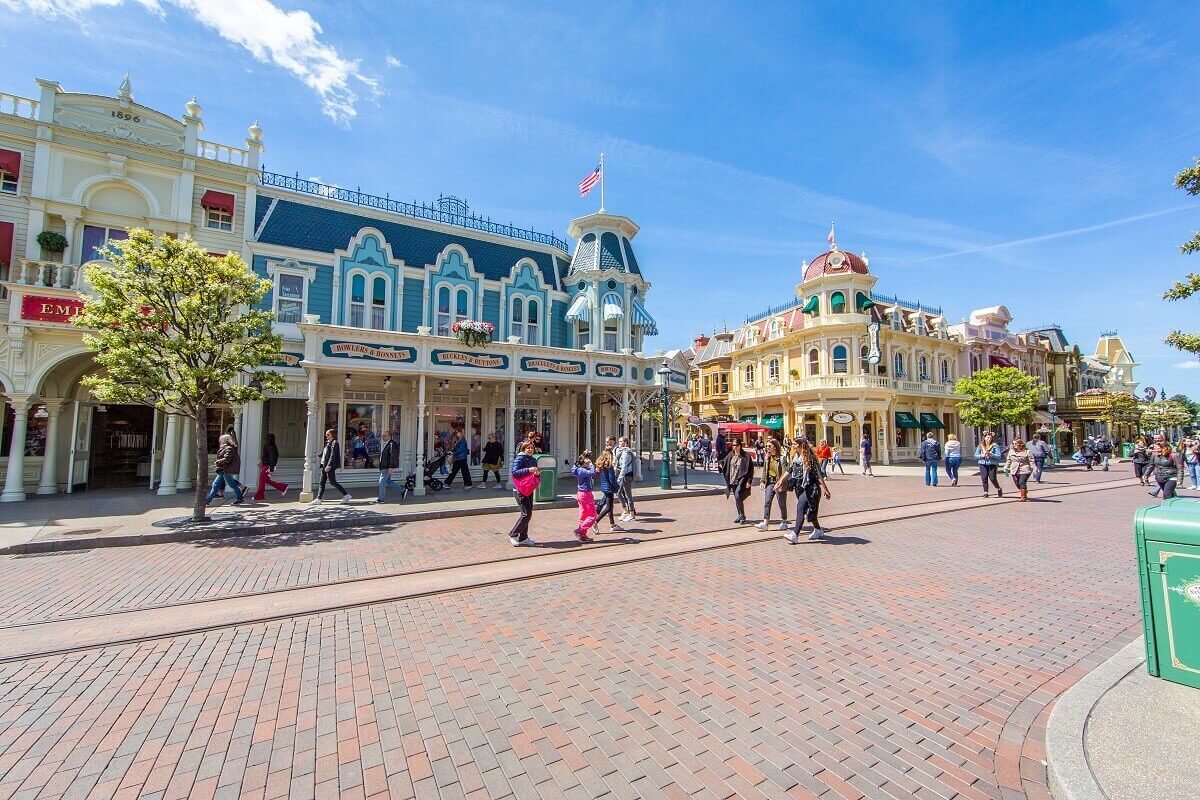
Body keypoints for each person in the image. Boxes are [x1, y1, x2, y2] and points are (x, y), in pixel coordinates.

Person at [780, 437, 832, 543]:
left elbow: (818, 474)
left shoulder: (810, 458)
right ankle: (818, 529)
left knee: (800, 508)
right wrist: (780, 481)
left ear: (801, 445)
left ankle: (795, 535)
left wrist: (825, 489)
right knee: (809, 512)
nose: (793, 446)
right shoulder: (795, 457)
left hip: (810, 487)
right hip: (799, 487)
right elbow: (789, 470)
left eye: (794, 444)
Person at [508, 440, 539, 546]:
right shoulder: (520, 458)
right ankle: (513, 534)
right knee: (527, 514)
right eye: (528, 448)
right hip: (519, 489)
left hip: (528, 488)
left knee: (527, 513)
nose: (530, 450)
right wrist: (529, 470)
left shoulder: (533, 459)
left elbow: (534, 474)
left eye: (531, 448)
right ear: (523, 449)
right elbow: (515, 472)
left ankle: (523, 537)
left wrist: (537, 473)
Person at [756, 440, 789, 531]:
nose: (767, 447)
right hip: (770, 482)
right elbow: (764, 470)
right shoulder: (767, 458)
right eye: (766, 446)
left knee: (781, 503)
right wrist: (762, 481)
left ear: (775, 447)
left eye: (769, 446)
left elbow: (785, 472)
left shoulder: (782, 458)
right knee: (767, 502)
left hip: (779, 483)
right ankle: (765, 523)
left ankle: (784, 521)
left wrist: (780, 483)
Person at [311, 429, 351, 505]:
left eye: (328, 434)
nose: (326, 436)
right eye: (326, 434)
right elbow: (326, 453)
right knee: (322, 482)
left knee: (332, 482)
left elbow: (332, 455)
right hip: (324, 465)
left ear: (332, 434)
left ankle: (346, 495)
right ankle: (318, 499)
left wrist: (329, 465)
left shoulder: (334, 443)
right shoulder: (328, 443)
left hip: (329, 466)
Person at [206, 433, 246, 505]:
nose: (220, 441)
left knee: (231, 485)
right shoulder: (228, 448)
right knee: (216, 485)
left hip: (226, 469)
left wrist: (217, 462)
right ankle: (207, 500)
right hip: (223, 469)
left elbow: (227, 459)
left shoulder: (228, 448)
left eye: (221, 440)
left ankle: (240, 498)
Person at [720, 439, 754, 524]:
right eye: (733, 445)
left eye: (736, 446)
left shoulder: (746, 456)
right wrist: (721, 464)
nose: (735, 447)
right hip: (732, 479)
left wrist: (749, 481)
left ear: (740, 446)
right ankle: (741, 515)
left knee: (738, 495)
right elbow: (723, 461)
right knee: (736, 498)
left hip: (741, 479)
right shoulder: (731, 454)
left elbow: (750, 470)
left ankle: (742, 516)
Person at [569, 451, 597, 543]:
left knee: (584, 515)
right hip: (586, 494)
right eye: (586, 461)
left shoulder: (578, 468)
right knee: (592, 516)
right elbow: (592, 472)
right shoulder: (582, 470)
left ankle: (583, 535)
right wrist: (592, 464)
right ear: (583, 463)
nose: (588, 462)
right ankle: (580, 530)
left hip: (581, 494)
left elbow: (576, 465)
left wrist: (584, 456)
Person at [253, 433, 289, 501]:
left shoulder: (271, 448)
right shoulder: (269, 447)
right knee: (263, 481)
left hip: (267, 466)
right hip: (266, 465)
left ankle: (283, 487)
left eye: (266, 438)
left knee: (263, 480)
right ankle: (259, 495)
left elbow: (272, 459)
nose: (265, 440)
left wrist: (271, 469)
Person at [594, 449, 622, 534]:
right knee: (608, 507)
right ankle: (595, 522)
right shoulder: (609, 466)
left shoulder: (602, 466)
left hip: (605, 488)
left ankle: (613, 525)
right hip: (609, 489)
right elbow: (612, 480)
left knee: (610, 507)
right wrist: (617, 487)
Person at [376, 429, 406, 503]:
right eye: (382, 436)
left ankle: (381, 498)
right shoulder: (387, 444)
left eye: (384, 436)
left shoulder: (392, 444)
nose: (383, 437)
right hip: (385, 466)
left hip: (387, 466)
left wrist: (391, 467)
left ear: (389, 436)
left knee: (382, 481)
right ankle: (402, 491)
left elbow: (393, 456)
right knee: (388, 481)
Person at [614, 436, 638, 523]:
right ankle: (625, 510)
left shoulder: (626, 453)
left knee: (628, 495)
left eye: (621, 441)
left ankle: (631, 514)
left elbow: (624, 467)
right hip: (623, 475)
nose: (619, 443)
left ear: (626, 443)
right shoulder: (620, 451)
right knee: (618, 493)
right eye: (619, 441)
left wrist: (619, 479)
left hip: (627, 476)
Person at [975, 433, 1003, 498]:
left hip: (992, 463)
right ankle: (985, 492)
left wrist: (992, 455)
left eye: (990, 438)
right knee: (984, 478)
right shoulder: (981, 446)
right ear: (984, 438)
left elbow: (998, 456)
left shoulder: (994, 446)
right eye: (987, 438)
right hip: (982, 463)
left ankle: (998, 488)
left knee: (992, 478)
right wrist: (981, 455)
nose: (989, 439)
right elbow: (976, 455)